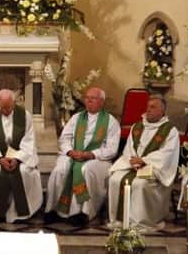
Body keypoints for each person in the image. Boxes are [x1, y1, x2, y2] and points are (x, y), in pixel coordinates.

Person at [44, 87, 120, 227]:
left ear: (101, 102)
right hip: (73, 154)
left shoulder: (111, 121)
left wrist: (90, 154)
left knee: (86, 170)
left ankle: (83, 213)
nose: (89, 100)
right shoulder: (76, 117)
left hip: (97, 159)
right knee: (59, 170)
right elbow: (64, 139)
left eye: (93, 98)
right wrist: (70, 152)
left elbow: (112, 148)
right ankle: (53, 209)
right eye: (87, 97)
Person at [108, 95, 180, 229]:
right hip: (132, 165)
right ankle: (119, 220)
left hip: (154, 168)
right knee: (115, 180)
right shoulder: (137, 126)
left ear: (162, 111)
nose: (148, 110)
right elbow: (128, 149)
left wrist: (144, 161)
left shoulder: (170, 131)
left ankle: (140, 222)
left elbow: (167, 154)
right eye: (148, 106)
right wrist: (133, 161)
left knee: (140, 183)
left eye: (153, 107)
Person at [0, 89, 43, 224]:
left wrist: (17, 158)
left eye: (8, 107)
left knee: (25, 172)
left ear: (14, 103)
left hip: (20, 156)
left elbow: (29, 140)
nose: (5, 111)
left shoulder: (25, 115)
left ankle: (21, 212)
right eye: (2, 108)